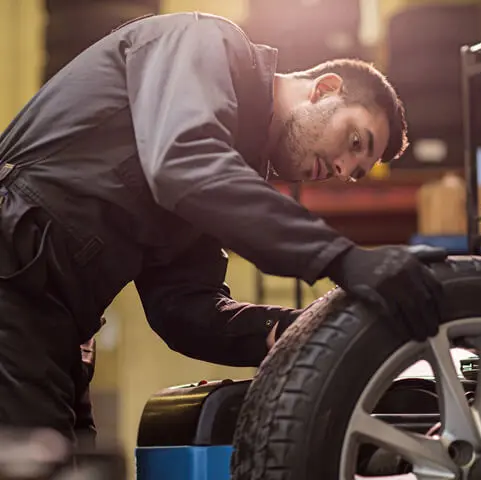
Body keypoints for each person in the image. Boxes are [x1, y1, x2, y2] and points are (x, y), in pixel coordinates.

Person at [0, 11, 444, 443]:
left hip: (53, 322)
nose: (342, 168)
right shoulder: (206, 43)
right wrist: (342, 258)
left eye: (356, 171)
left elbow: (183, 307)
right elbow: (183, 165)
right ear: (325, 89)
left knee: (67, 462)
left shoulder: (223, 169)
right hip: (13, 272)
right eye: (353, 141)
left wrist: (295, 328)